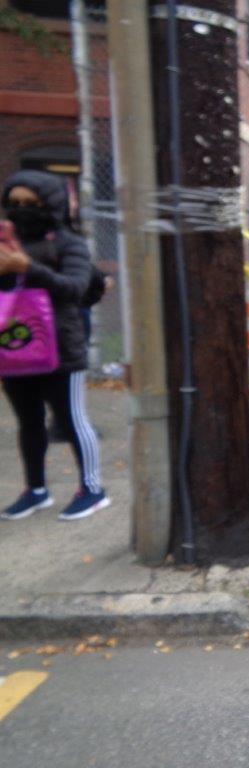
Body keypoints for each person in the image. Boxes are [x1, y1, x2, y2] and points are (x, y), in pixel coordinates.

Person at [0, 170, 109, 521]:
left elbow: (75, 289)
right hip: (14, 348)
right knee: (28, 421)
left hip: (60, 348)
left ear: (51, 205)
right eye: (14, 203)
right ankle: (36, 490)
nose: (22, 210)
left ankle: (92, 489)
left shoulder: (69, 244)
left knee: (71, 419)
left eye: (31, 203)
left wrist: (28, 267)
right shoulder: (6, 241)